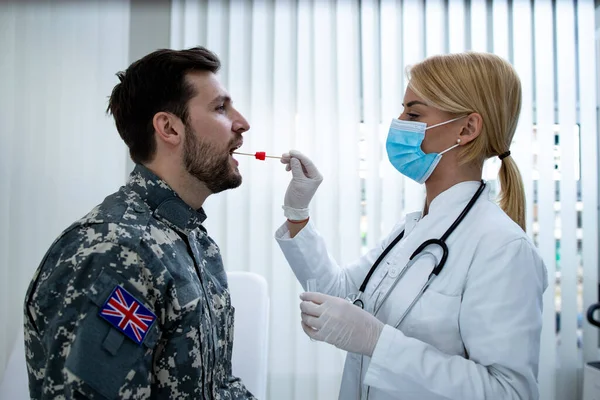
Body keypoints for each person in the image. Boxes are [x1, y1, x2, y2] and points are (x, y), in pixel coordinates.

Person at [275, 52, 548, 399]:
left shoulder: (503, 249)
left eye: (414, 113)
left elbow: (510, 392)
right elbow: (343, 295)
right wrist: (297, 211)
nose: (399, 122)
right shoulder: (414, 232)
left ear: (466, 129)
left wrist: (379, 342)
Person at [23, 47, 256, 399]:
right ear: (168, 128)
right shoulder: (116, 250)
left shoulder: (194, 242)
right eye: (220, 108)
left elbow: (218, 387)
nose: (242, 123)